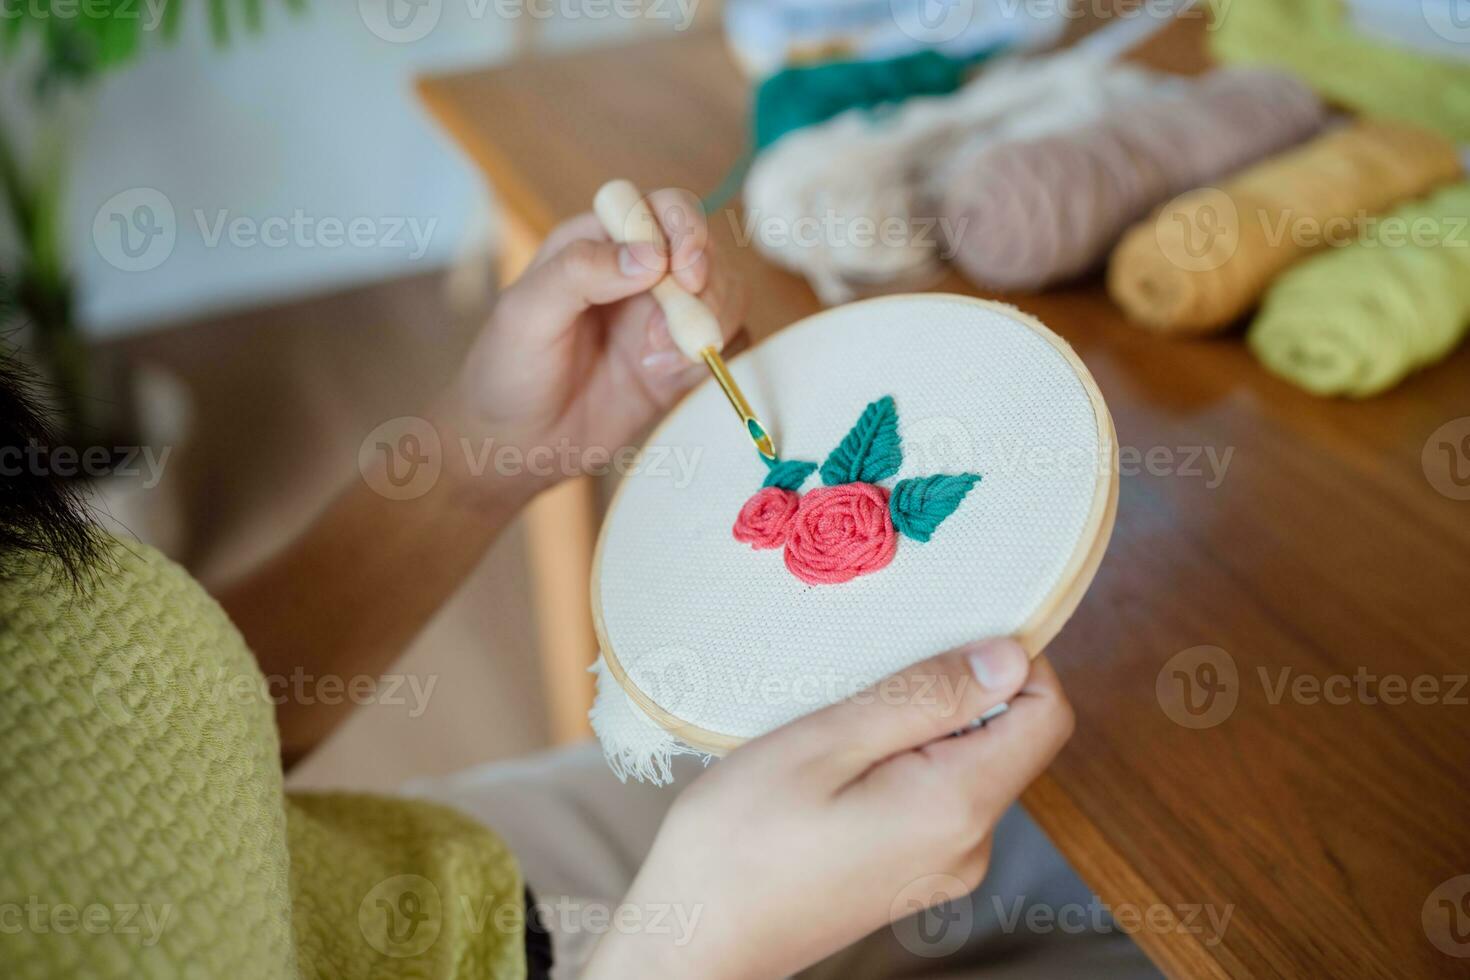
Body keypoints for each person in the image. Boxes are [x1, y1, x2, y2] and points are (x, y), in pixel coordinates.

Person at [0, 190, 1154, 979]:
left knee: (1108, 817)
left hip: (454, 885)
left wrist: (480, 459)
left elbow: (123, 735)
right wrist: (694, 945)